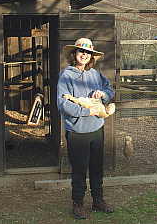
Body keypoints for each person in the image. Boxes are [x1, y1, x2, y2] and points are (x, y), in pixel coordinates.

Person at [57, 37, 115, 220]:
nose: (84, 55)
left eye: (88, 52)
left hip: (97, 129)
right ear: (74, 54)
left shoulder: (95, 75)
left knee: (97, 168)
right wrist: (87, 111)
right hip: (77, 132)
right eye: (81, 51)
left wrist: (103, 94)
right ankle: (78, 204)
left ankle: (98, 201)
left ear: (91, 56)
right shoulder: (66, 75)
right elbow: (63, 104)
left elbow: (109, 90)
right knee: (80, 170)